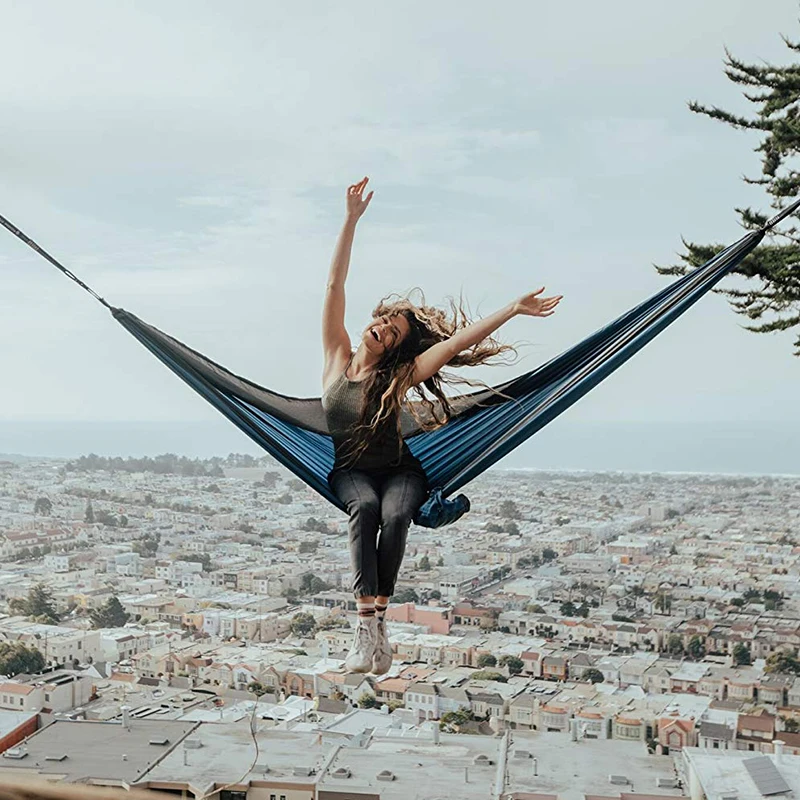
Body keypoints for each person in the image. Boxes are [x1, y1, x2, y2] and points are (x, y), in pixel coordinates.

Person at [322, 176, 562, 674]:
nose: (384, 328)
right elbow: (334, 286)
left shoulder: (402, 374)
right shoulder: (336, 356)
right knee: (364, 507)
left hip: (403, 471)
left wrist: (512, 309)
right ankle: (369, 630)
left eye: (394, 332)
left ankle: (373, 627)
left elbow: (451, 348)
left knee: (393, 515)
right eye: (386, 320)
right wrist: (349, 221)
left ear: (394, 349)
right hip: (350, 471)